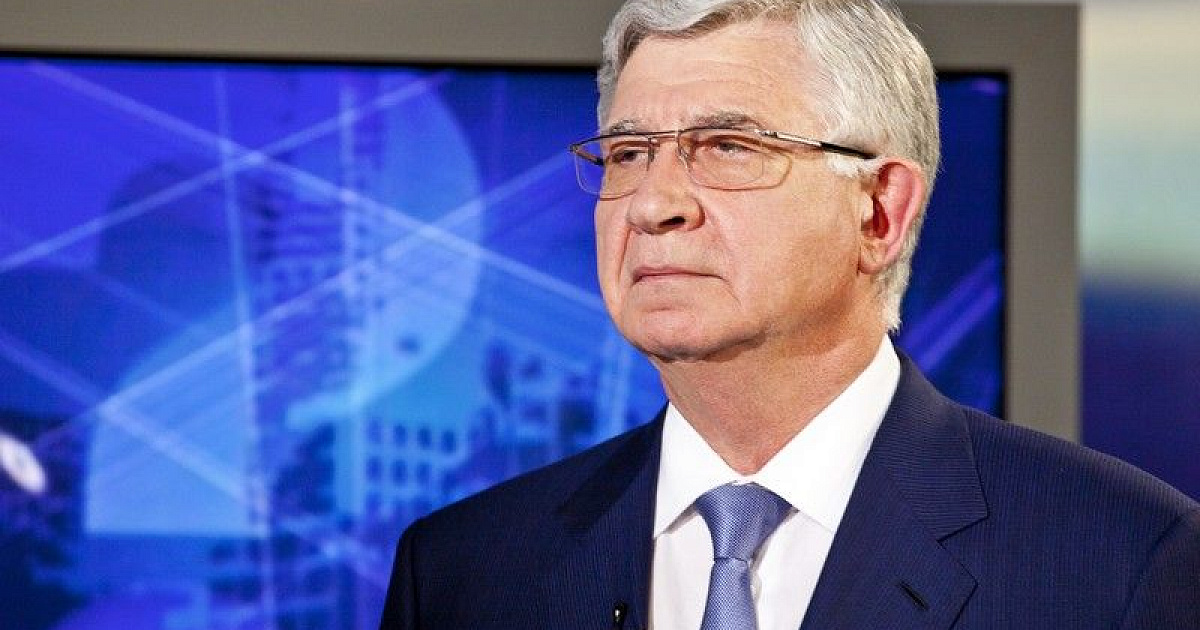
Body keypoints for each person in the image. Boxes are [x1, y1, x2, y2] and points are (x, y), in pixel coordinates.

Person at [378, 1, 1200, 628]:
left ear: (880, 212)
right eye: (628, 154)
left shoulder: (1120, 562)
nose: (653, 204)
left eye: (728, 147)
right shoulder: (462, 572)